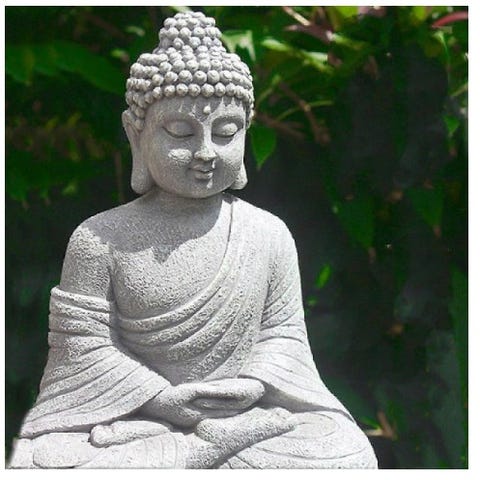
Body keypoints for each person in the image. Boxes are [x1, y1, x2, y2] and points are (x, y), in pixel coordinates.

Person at [9, 11, 377, 469]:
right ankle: (201, 448)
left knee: (344, 452)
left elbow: (283, 336)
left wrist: (254, 385)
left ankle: (203, 447)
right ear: (136, 134)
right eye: (181, 133)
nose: (206, 152)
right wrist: (159, 399)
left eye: (226, 133)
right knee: (42, 461)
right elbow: (82, 350)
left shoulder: (268, 234)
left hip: (242, 411)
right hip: (142, 416)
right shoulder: (99, 238)